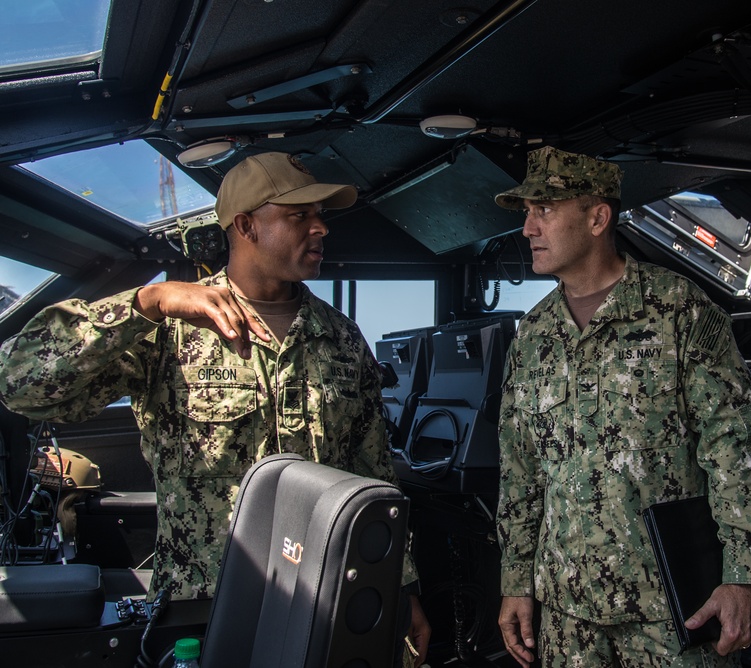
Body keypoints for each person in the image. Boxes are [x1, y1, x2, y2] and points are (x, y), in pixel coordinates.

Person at [0, 152, 430, 665]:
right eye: (299, 215)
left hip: (323, 592)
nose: (320, 228)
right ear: (246, 225)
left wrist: (398, 587)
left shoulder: (340, 337)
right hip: (203, 601)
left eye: (321, 215)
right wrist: (145, 303)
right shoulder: (169, 326)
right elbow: (17, 383)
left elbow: (372, 471)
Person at [493, 146, 751, 667]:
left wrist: (745, 574)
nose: (528, 228)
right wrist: (516, 582)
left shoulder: (678, 309)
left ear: (598, 217)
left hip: (671, 608)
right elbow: (521, 473)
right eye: (526, 213)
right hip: (567, 612)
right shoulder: (533, 335)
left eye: (544, 210)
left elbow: (738, 449)